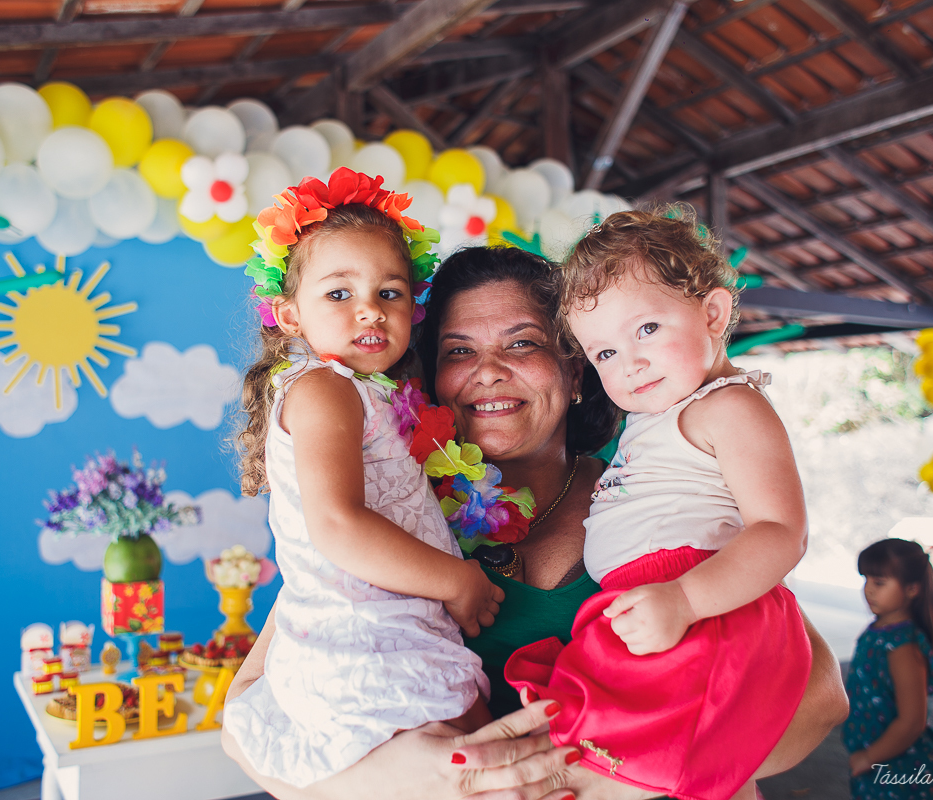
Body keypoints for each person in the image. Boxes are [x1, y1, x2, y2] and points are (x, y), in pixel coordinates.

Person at [223, 244, 850, 800]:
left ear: (576, 369)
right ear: (433, 380)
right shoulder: (389, 521)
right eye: (458, 351)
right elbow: (244, 721)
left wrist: (599, 778)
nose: (489, 370)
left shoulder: (654, 490)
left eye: (521, 343)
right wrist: (382, 784)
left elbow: (820, 696)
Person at [505, 206, 812, 800]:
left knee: (628, 765)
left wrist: (686, 598)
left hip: (699, 605)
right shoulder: (654, 419)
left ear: (714, 313)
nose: (631, 362)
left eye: (646, 330)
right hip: (650, 606)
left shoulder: (727, 406)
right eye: (605, 354)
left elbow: (780, 530)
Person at [223, 168, 503, 788]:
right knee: (480, 763)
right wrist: (456, 579)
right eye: (339, 294)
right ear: (290, 315)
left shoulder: (364, 396)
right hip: (369, 643)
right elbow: (338, 525)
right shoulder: (324, 389)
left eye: (390, 292)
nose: (369, 310)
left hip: (386, 634)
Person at [844, 538, 933, 799]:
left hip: (898, 770)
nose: (869, 590)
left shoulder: (902, 647)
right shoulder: (879, 631)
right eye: (866, 580)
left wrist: (869, 756)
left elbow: (912, 722)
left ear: (912, 589)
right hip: (875, 761)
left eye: (879, 582)